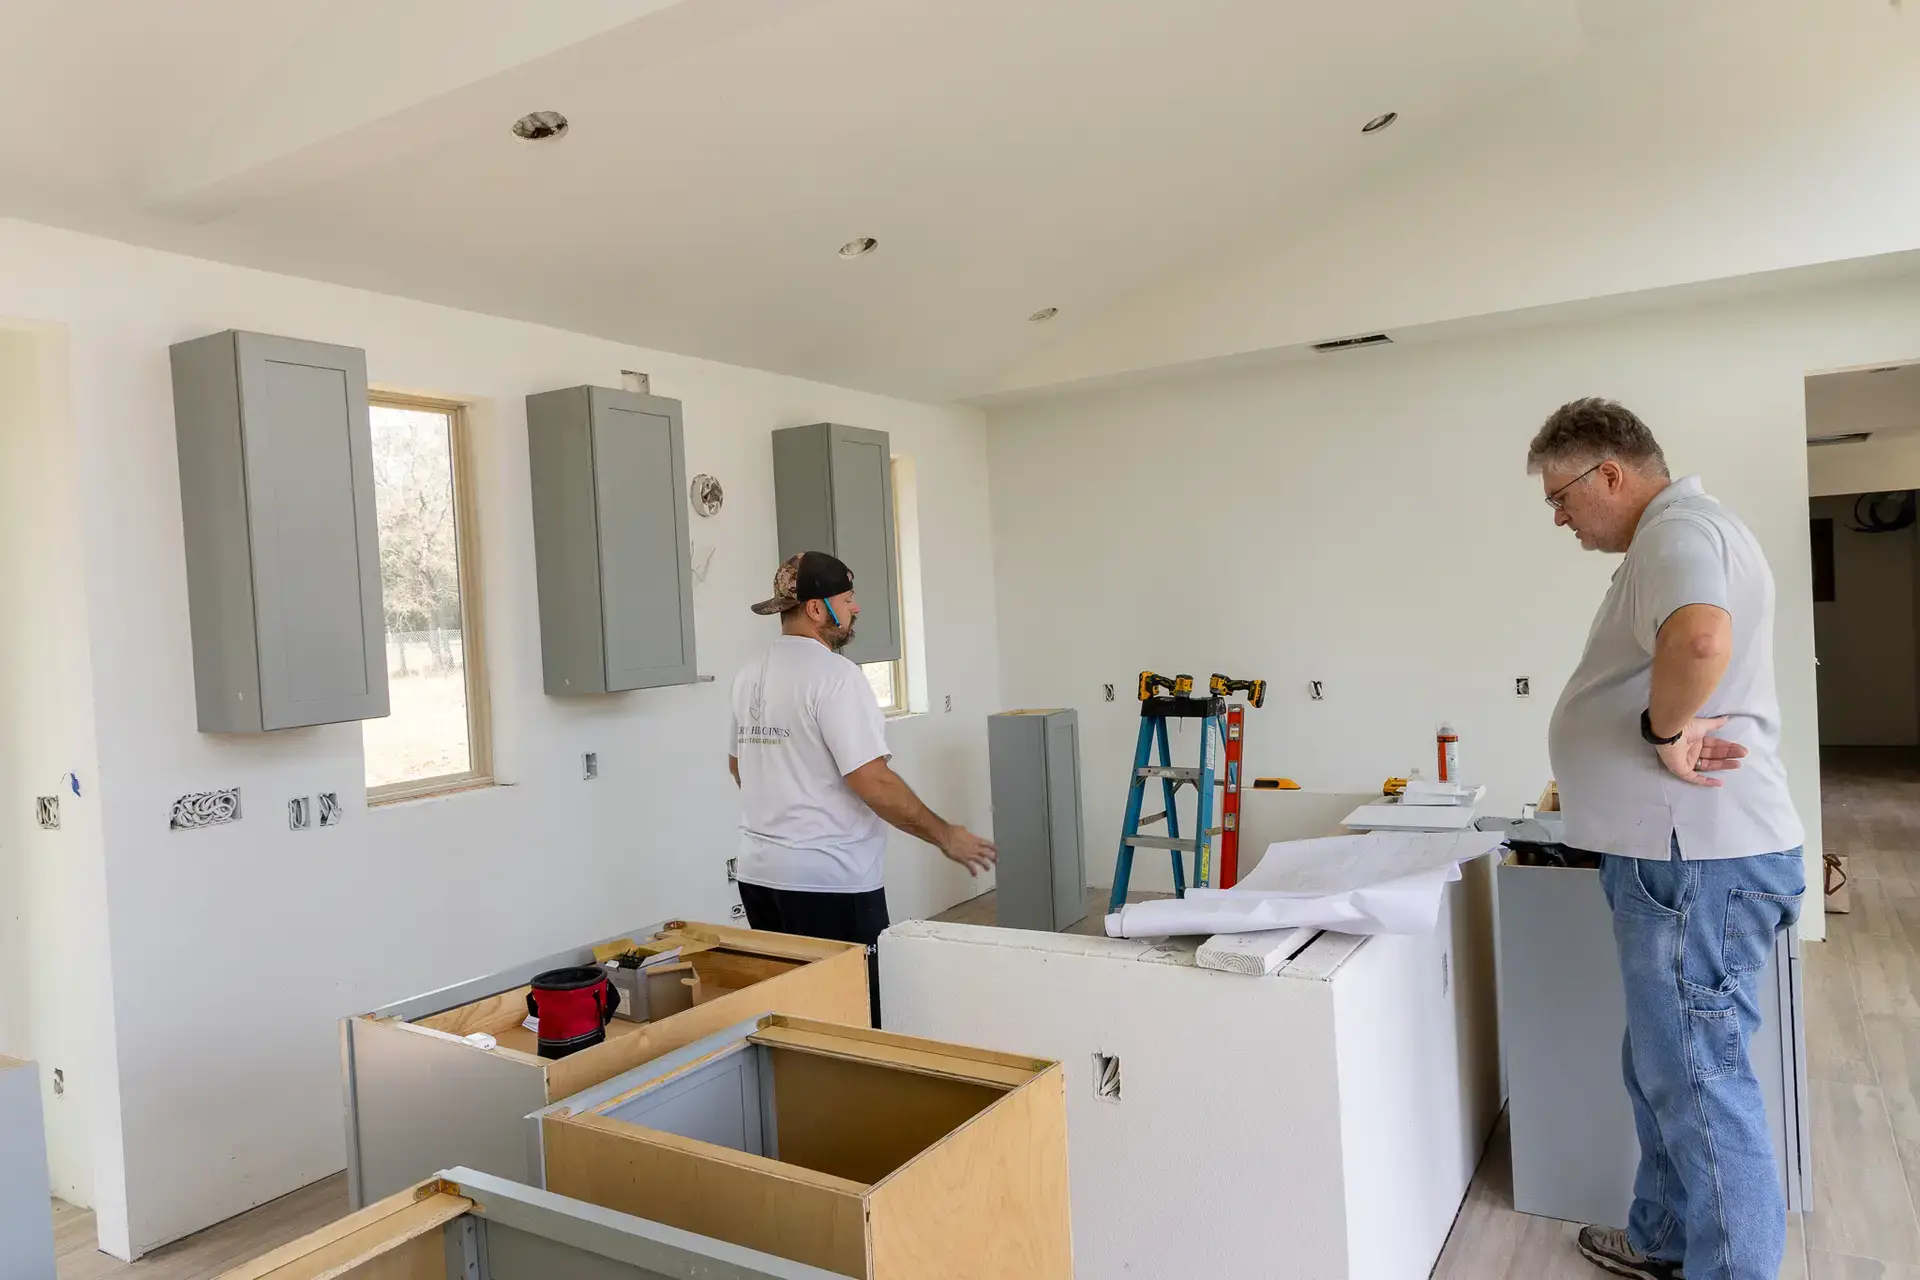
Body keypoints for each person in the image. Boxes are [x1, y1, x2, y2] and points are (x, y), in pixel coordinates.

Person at [1528, 398, 1806, 1280]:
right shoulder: (1683, 532)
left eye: (1562, 496)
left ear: (1611, 473)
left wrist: (1657, 732)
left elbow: (1700, 636)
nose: (1560, 517)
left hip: (1697, 863)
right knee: (1665, 1066)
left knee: (1699, 1083)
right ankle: (1666, 1239)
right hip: (1680, 860)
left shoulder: (1676, 531)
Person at [728, 551, 997, 1026]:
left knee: (792, 1016)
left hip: (758, 878)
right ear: (816, 609)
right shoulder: (835, 677)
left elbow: (739, 768)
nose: (856, 609)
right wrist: (944, 835)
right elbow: (873, 782)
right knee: (856, 1020)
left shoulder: (749, 676)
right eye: (847, 599)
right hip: (829, 882)